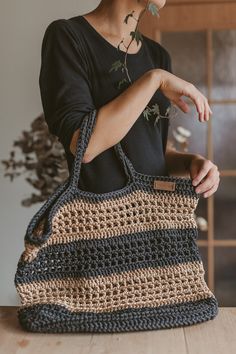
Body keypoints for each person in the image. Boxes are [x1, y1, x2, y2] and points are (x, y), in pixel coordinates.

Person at [39, 0, 220, 197]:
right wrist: (155, 79)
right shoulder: (68, 37)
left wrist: (192, 163)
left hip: (156, 216)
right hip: (104, 220)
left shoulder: (157, 55)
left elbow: (152, 150)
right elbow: (84, 146)